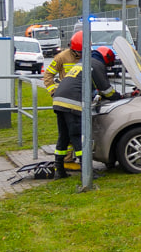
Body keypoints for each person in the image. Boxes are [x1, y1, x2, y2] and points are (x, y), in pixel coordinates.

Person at [51, 47, 123, 179]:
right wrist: (119, 97)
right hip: (72, 103)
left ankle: (59, 170)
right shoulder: (96, 64)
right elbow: (106, 90)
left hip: (59, 100)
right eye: (109, 64)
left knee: (64, 137)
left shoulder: (85, 61)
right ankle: (87, 172)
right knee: (77, 136)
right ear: (106, 58)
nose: (107, 66)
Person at [43, 31, 83, 96]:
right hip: (66, 93)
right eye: (80, 52)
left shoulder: (90, 56)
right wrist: (53, 92)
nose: (82, 54)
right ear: (73, 49)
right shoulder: (62, 57)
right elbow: (48, 75)